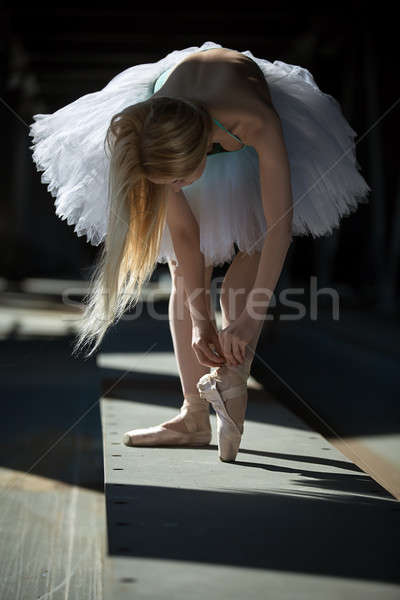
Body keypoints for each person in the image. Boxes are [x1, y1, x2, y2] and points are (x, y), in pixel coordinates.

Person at [28, 41, 371, 463]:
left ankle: (232, 381)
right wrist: (200, 325)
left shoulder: (256, 122)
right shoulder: (156, 130)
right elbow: (187, 240)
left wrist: (248, 320)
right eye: (167, 185)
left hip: (241, 115)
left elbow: (278, 228)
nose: (175, 191)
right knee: (182, 268)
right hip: (176, 103)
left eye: (177, 182)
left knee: (252, 252)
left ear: (201, 152)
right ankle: (193, 415)